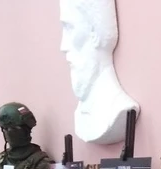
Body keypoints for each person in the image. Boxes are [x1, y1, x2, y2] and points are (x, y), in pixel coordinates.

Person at [59, 0, 139, 144]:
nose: (63, 46)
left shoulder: (121, 109)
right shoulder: (81, 115)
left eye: (70, 28)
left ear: (95, 33)